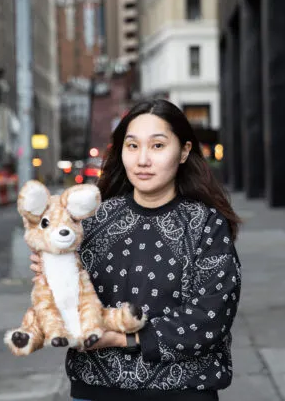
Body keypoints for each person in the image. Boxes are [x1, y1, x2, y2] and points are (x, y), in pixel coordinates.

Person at [30, 99, 242, 401]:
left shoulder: (204, 224)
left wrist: (122, 337)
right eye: (132, 146)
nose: (143, 159)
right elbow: (71, 302)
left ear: (183, 152)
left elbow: (210, 316)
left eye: (157, 146)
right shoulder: (90, 221)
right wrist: (51, 277)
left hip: (182, 392)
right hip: (96, 391)